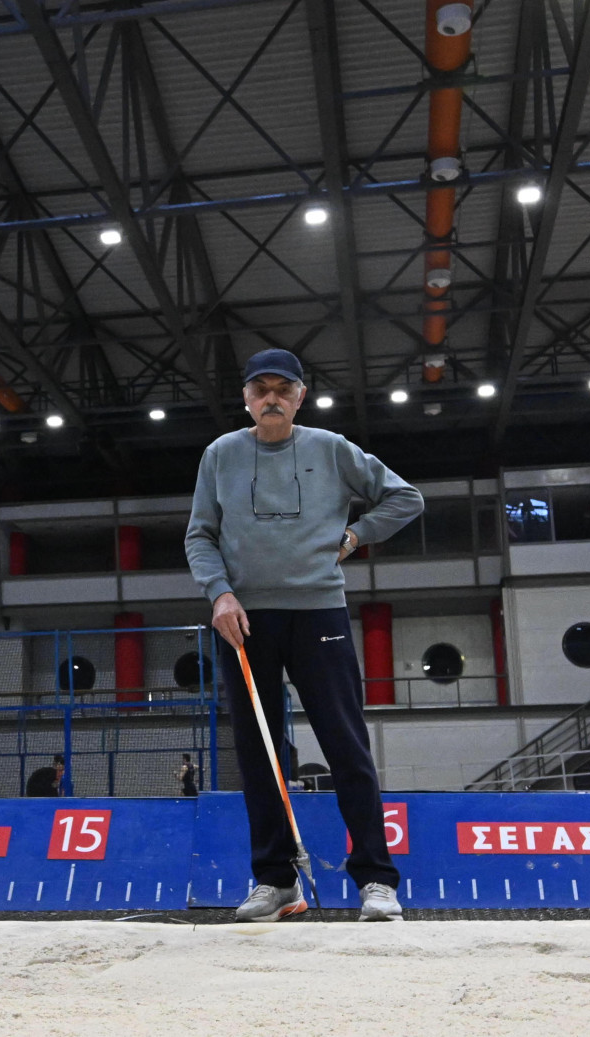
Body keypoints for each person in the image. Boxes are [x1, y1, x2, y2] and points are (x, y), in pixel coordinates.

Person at [186, 348, 424, 924]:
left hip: (319, 612)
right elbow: (200, 535)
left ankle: (376, 880)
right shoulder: (220, 455)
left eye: (283, 389)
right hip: (243, 620)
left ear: (300, 397)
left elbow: (406, 498)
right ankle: (275, 883)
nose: (271, 398)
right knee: (259, 752)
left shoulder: (332, 449)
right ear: (245, 397)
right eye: (260, 388)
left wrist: (356, 535)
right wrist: (219, 593)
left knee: (346, 747)